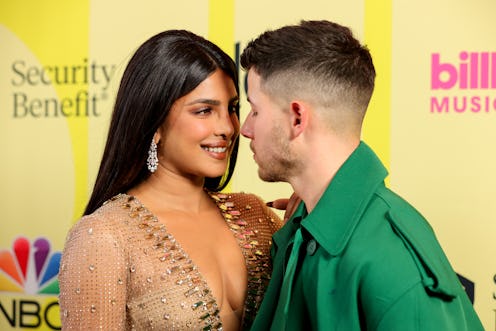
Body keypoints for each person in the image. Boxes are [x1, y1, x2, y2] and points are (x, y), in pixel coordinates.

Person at [239, 20, 484, 330]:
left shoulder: (391, 260)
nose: (245, 129)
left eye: (255, 110)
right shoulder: (304, 227)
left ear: (297, 118)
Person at [58, 29, 282, 331]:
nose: (228, 127)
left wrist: (307, 219)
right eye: (204, 111)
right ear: (154, 121)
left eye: (231, 108)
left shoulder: (255, 215)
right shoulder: (104, 237)